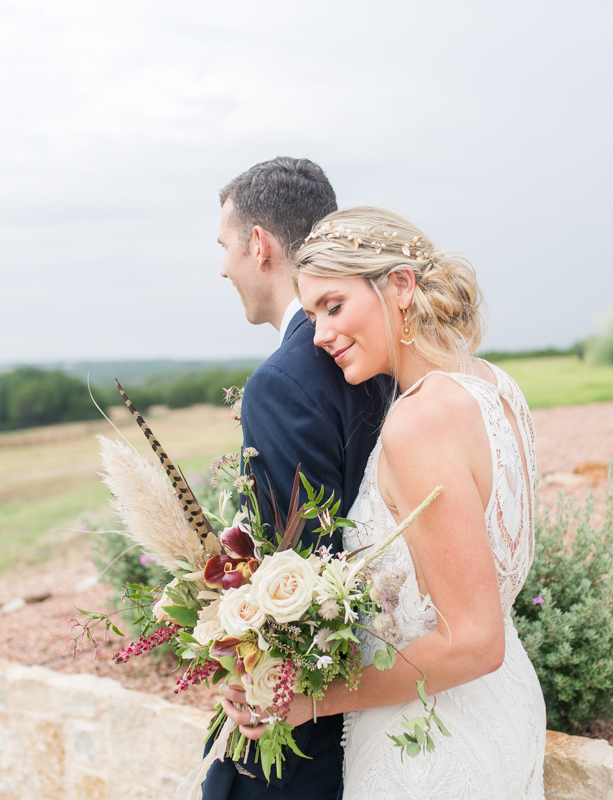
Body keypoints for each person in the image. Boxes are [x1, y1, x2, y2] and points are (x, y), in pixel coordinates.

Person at [222, 207, 546, 799]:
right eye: (313, 311)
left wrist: (312, 700)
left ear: (400, 286)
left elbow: (474, 639)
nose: (319, 334)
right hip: (495, 709)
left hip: (428, 741)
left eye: (334, 306)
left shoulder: (418, 423)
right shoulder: (493, 385)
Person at [206, 161, 390, 800]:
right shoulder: (385, 354)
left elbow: (305, 572)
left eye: (225, 247)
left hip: (311, 740)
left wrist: (254, 679)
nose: (223, 267)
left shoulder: (283, 382)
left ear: (258, 245)